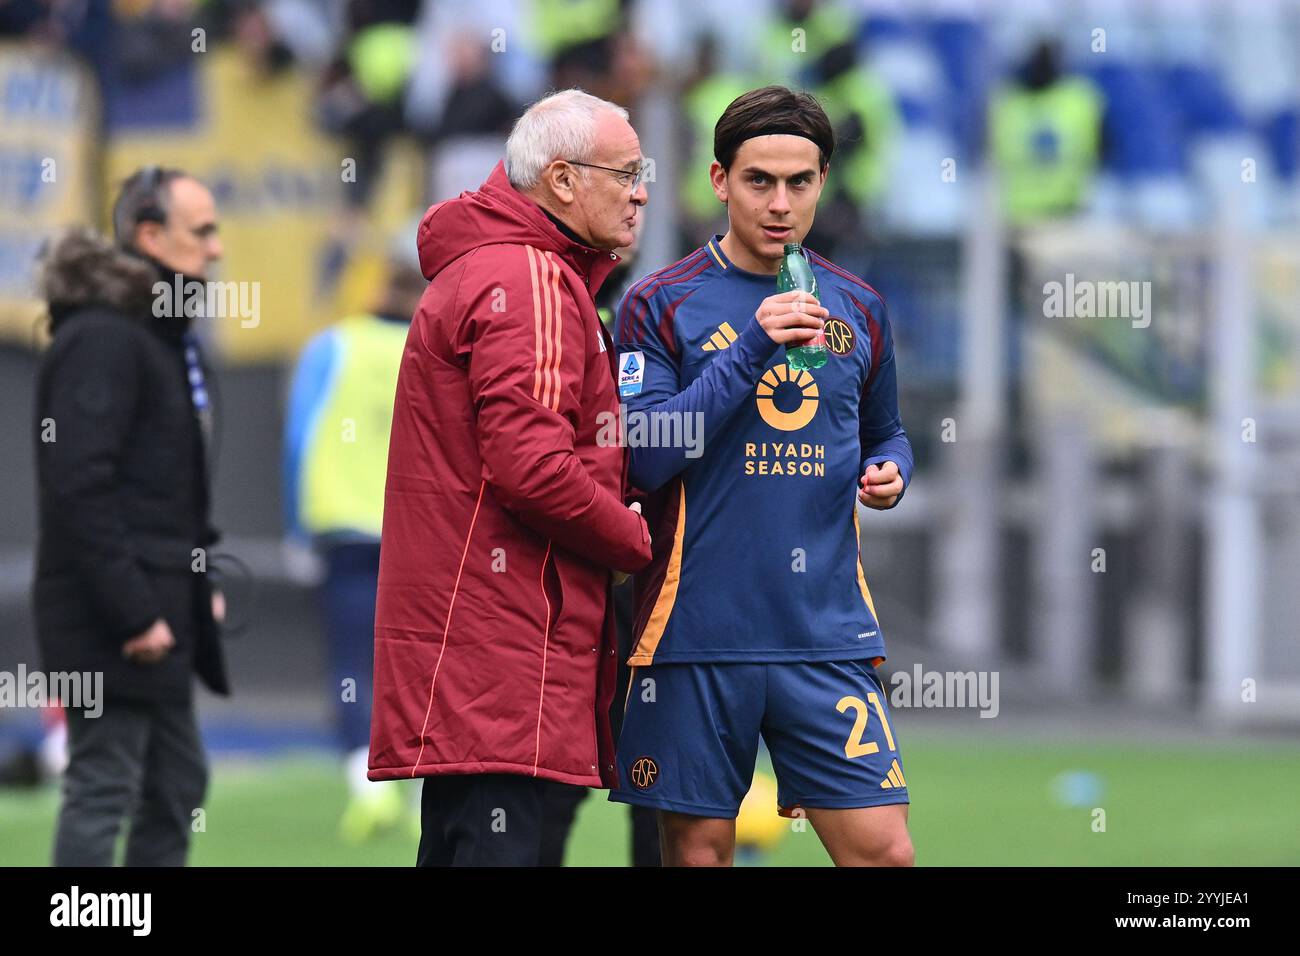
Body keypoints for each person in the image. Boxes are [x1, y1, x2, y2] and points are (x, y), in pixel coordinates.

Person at [610, 86, 916, 866]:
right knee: (699, 854)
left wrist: (891, 471)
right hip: (693, 631)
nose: (781, 203)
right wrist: (751, 346)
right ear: (719, 181)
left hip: (824, 633)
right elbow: (643, 455)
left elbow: (887, 431)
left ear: (823, 182)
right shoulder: (659, 303)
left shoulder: (861, 307)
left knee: (884, 851)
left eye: (800, 182)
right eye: (759, 181)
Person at [367, 88, 653, 867]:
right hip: (505, 644)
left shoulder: (501, 267)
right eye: (626, 172)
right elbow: (533, 468)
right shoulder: (529, 279)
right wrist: (636, 539)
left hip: (476, 647)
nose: (642, 191)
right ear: (562, 180)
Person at [34, 166, 229, 866]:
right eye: (200, 231)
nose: (214, 250)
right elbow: (79, 487)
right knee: (103, 785)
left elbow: (167, 485)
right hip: (115, 615)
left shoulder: (158, 336)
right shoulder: (105, 339)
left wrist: (196, 572)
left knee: (176, 783)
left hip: (158, 604)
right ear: (150, 235)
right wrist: (132, 610)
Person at [282, 245, 427, 843]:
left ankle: (368, 790)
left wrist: (296, 526)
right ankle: (425, 793)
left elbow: (298, 437)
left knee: (352, 664)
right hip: (421, 534)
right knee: (424, 666)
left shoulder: (332, 347)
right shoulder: (436, 350)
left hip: (343, 528)